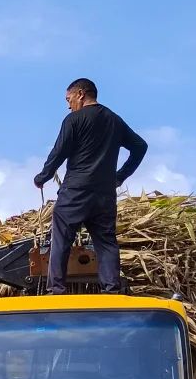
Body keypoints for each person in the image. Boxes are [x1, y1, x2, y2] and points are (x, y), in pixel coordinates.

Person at [34, 78, 148, 294]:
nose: (69, 106)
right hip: (104, 194)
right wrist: (120, 176)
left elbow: (59, 152)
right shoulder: (114, 120)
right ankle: (111, 290)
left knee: (61, 238)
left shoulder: (74, 120)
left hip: (76, 191)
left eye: (68, 99)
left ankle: (56, 289)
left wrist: (42, 177)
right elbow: (140, 146)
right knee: (106, 242)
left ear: (80, 94)